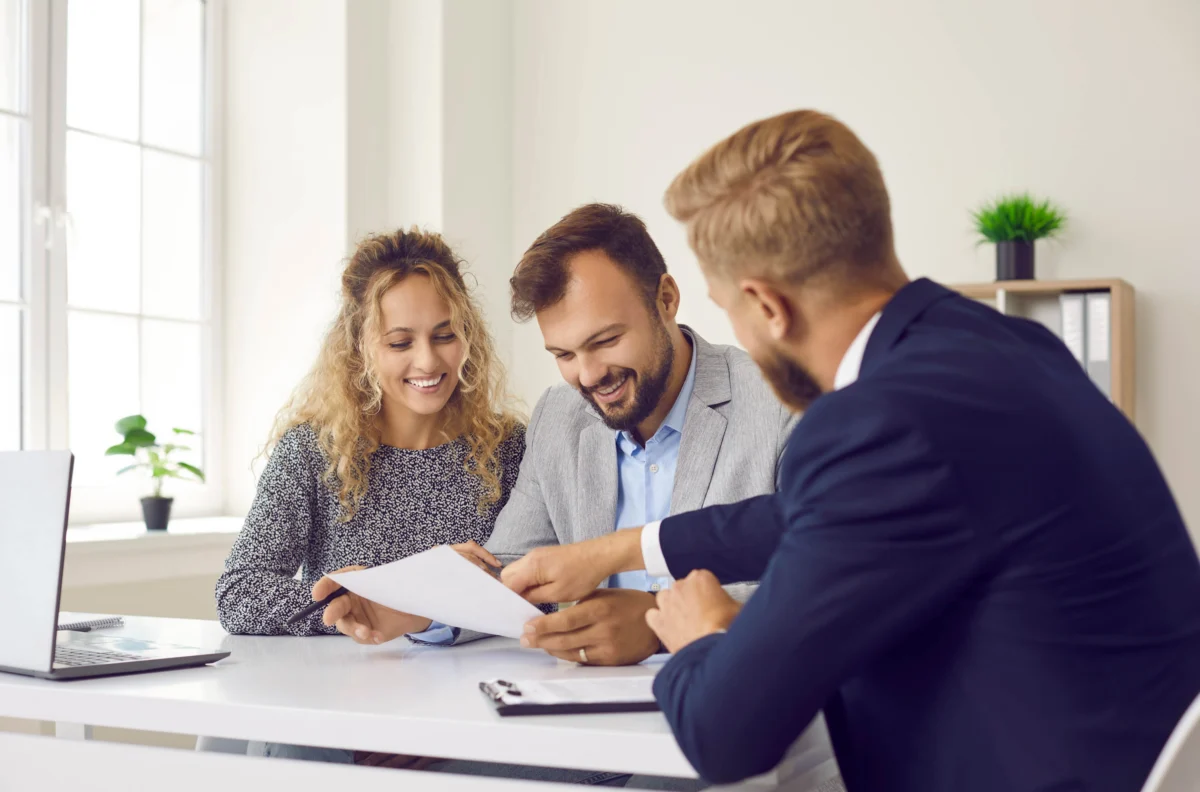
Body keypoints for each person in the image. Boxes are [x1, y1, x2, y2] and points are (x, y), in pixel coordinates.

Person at [500, 110, 1200, 792]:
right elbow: (805, 518)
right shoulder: (1001, 344)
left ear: (768, 307)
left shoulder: (877, 422)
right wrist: (626, 550)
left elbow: (723, 736)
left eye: (727, 305)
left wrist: (704, 635)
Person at [314, 204, 838, 788]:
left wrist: (656, 624)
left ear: (666, 298)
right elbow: (513, 564)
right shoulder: (562, 416)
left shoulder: (782, 400)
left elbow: (819, 592)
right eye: (562, 355)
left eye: (605, 341)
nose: (588, 376)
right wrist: (421, 608)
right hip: (580, 725)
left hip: (725, 728)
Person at [213, 228, 524, 764]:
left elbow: (527, 591)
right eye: (400, 342)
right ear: (360, 347)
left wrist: (408, 597)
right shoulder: (313, 450)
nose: (427, 362)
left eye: (445, 336)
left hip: (465, 715)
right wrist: (371, 603)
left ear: (469, 336)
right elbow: (239, 593)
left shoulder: (509, 449)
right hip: (341, 708)